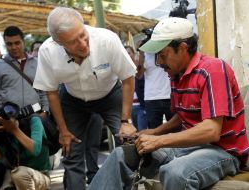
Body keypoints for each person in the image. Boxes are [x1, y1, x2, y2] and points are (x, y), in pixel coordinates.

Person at [88, 17, 249, 190]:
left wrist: (160, 140)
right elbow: (182, 116)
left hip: (222, 151)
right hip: (189, 146)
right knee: (121, 155)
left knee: (175, 173)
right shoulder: (176, 74)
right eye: (157, 56)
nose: (159, 63)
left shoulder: (213, 70)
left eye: (163, 55)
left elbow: (211, 130)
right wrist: (155, 132)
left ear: (182, 48)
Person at [33, 7, 137, 189]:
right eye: (73, 42)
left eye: (83, 34)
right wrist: (63, 131)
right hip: (73, 100)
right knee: (71, 153)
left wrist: (126, 120)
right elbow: (51, 92)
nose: (82, 44)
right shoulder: (48, 51)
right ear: (59, 43)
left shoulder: (107, 39)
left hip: (110, 94)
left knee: (129, 143)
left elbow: (128, 78)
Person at [0, 26, 49, 115]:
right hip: (9, 119)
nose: (14, 47)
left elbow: (43, 91)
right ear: (5, 44)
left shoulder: (37, 63)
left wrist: (45, 111)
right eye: (9, 44)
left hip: (36, 115)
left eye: (17, 43)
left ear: (23, 42)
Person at [0, 114, 51, 190]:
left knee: (20, 174)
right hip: (11, 178)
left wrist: (14, 129)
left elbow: (35, 150)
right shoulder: (1, 133)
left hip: (40, 175)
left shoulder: (33, 121)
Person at [137, 41, 173, 129]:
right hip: (151, 98)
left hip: (169, 96)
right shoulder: (146, 54)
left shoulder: (167, 50)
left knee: (175, 129)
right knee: (154, 131)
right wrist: (141, 54)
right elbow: (139, 75)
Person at [125, 45, 147, 131]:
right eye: (125, 54)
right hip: (130, 107)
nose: (127, 55)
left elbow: (142, 78)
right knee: (134, 133)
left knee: (142, 131)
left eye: (129, 53)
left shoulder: (139, 65)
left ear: (133, 54)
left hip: (141, 105)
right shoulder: (123, 69)